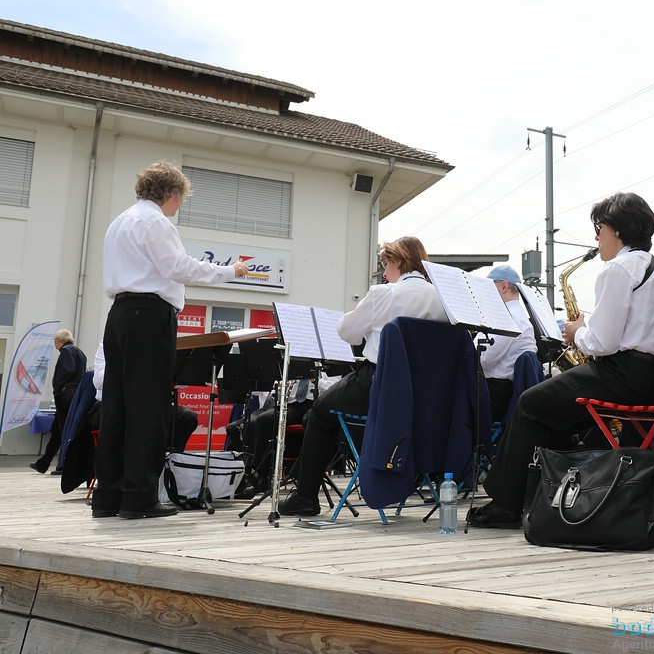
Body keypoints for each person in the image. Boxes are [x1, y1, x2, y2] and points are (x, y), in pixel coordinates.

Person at [470, 192, 654, 528]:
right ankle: (548, 495)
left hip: (621, 373)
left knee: (529, 403)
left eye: (600, 228)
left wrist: (577, 331)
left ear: (618, 230)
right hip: (653, 379)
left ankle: (506, 505)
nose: (596, 237)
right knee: (558, 415)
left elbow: (603, 342)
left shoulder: (618, 270)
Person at [94, 162, 248, 519]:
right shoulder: (156, 222)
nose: (180, 206)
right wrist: (230, 271)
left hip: (118, 315)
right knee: (148, 409)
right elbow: (179, 268)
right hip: (149, 317)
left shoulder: (119, 222)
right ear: (173, 194)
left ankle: (108, 497)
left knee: (117, 407)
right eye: (182, 199)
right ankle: (139, 499)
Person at [278, 236, 447, 517]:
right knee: (342, 408)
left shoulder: (384, 294)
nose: (384, 272)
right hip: (425, 395)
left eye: (385, 264)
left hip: (381, 386)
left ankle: (306, 495)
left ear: (399, 262)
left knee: (320, 411)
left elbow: (346, 332)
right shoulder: (442, 300)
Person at [479, 265, 538, 422]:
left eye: (489, 288)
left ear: (504, 286)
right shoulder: (519, 316)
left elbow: (483, 359)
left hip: (495, 395)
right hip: (505, 392)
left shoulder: (505, 316)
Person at [31, 329, 87, 474]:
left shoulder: (66, 351)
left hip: (66, 396)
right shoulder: (79, 351)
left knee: (64, 429)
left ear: (59, 340)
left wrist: (58, 388)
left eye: (55, 340)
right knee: (57, 430)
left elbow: (67, 371)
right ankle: (43, 464)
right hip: (75, 395)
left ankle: (64, 465)